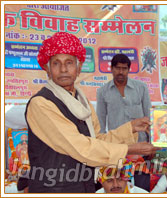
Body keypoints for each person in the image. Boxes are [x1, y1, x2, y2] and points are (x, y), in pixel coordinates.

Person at [25, 32, 159, 193]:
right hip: (53, 188)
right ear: (47, 69)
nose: (63, 69)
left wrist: (130, 127)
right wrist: (130, 149)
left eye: (69, 62)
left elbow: (98, 139)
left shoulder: (81, 101)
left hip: (83, 185)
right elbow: (81, 147)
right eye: (56, 63)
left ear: (79, 67)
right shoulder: (41, 103)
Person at [96, 53, 151, 191]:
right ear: (111, 69)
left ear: (129, 69)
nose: (121, 72)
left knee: (141, 188)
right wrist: (102, 149)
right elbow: (101, 123)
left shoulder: (141, 88)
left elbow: (150, 117)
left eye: (124, 68)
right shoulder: (103, 92)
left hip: (141, 149)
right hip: (117, 150)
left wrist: (152, 144)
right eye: (117, 68)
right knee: (117, 186)